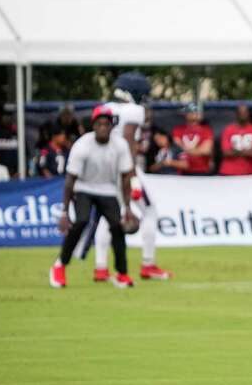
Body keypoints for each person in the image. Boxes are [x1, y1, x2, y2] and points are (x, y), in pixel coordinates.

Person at [91, 72, 172, 282]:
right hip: (123, 169)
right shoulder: (133, 110)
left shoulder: (107, 108)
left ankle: (100, 268)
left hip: (104, 169)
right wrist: (133, 175)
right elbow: (128, 141)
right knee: (150, 211)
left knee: (108, 216)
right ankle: (148, 264)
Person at [49, 106, 136, 289]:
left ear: (112, 126)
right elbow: (70, 180)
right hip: (84, 188)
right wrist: (64, 212)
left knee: (117, 227)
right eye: (99, 123)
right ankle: (59, 266)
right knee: (80, 221)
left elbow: (125, 177)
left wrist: (127, 207)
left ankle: (122, 273)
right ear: (93, 125)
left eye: (107, 123)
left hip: (109, 190)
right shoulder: (82, 145)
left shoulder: (120, 145)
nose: (103, 127)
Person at [172, 103, 214, 175]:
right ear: (185, 114)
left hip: (201, 170)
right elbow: (177, 147)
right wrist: (197, 151)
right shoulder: (178, 129)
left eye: (196, 112)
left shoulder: (206, 130)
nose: (193, 114)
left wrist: (185, 150)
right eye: (190, 112)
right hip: (182, 171)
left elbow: (206, 150)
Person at [219, 104, 252, 175]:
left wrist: (235, 151)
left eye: (245, 112)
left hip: (248, 172)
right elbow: (226, 152)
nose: (243, 115)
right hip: (229, 172)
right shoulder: (228, 130)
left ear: (249, 114)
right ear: (236, 114)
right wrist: (246, 152)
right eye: (240, 113)